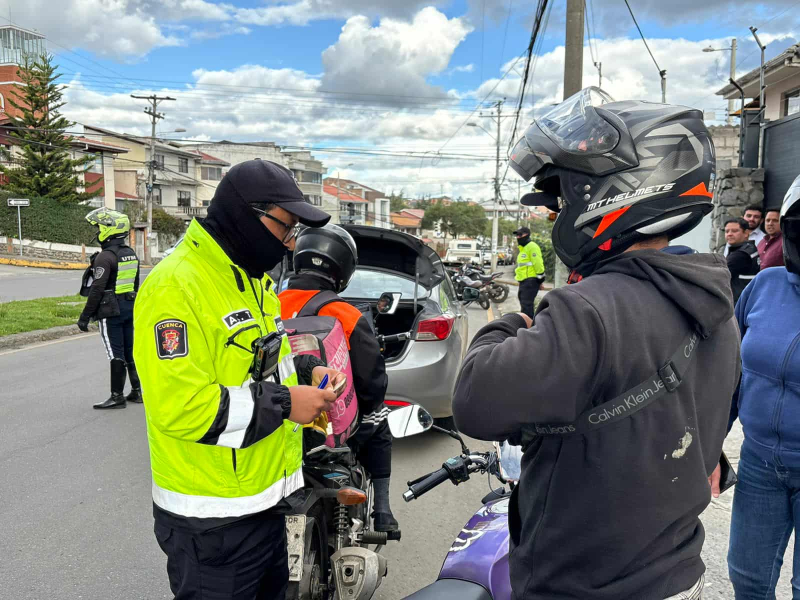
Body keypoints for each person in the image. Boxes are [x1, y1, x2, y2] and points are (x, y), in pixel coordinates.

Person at [452, 90, 740, 599]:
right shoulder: (713, 299)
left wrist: (507, 325)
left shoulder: (587, 309)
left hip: (582, 582)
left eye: (561, 201)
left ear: (615, 193)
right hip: (674, 571)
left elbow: (475, 402)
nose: (554, 215)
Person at [132, 159, 343, 600]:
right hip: (212, 521)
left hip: (264, 504)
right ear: (246, 214)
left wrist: (308, 373)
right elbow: (182, 407)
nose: (289, 244)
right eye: (285, 228)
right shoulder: (177, 285)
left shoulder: (253, 281)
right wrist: (288, 404)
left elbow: (266, 364)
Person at [279, 224, 398, 532]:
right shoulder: (346, 314)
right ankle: (383, 512)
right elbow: (372, 381)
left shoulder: (269, 305)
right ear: (343, 269)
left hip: (278, 414)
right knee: (380, 417)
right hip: (330, 424)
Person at [722, 174, 800, 598]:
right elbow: (730, 372)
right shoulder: (766, 286)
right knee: (747, 578)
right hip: (760, 463)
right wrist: (707, 441)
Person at [77, 208, 141, 409]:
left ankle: (117, 396)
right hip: (129, 308)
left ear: (108, 230)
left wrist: (85, 316)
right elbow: (135, 284)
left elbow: (97, 289)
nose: (97, 231)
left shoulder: (105, 257)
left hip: (110, 312)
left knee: (115, 353)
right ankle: (137, 392)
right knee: (130, 352)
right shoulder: (130, 254)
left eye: (99, 227)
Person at [512, 225, 545, 319]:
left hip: (530, 281)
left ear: (526, 235)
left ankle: (529, 327)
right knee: (525, 305)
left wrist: (540, 279)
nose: (518, 237)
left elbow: (538, 264)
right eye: (517, 235)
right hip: (525, 281)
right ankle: (529, 326)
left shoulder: (532, 247)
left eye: (520, 235)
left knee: (526, 307)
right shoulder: (524, 248)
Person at [724, 217, 760, 303]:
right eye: (727, 231)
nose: (729, 234)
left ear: (746, 233)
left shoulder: (741, 254)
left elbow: (720, 272)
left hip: (740, 301)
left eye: (735, 231)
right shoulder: (748, 248)